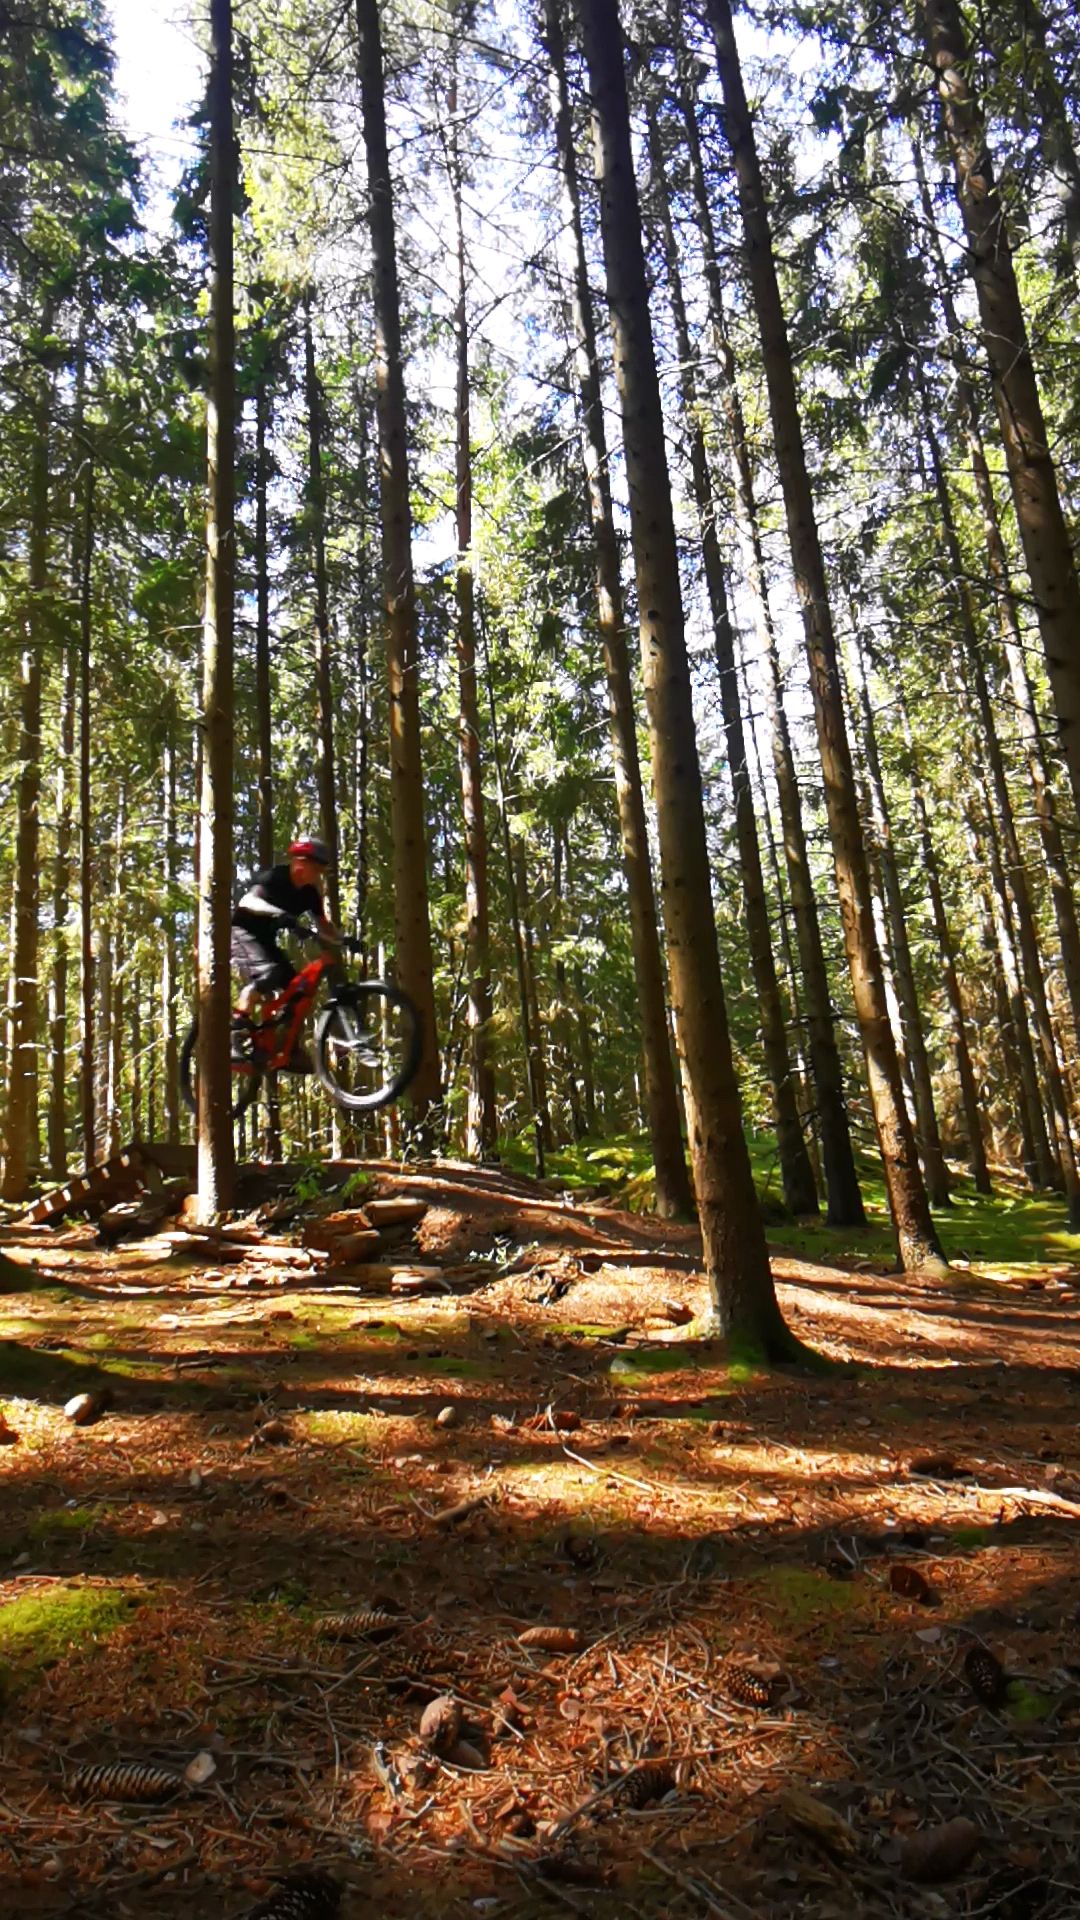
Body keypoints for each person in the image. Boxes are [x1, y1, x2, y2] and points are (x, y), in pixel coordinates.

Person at [230, 837, 344, 1066]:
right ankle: (233, 1037)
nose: (317, 873)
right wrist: (279, 914)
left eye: (320, 869)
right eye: (315, 867)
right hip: (241, 933)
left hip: (265, 940)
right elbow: (248, 902)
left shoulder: (310, 894)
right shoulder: (274, 877)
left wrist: (344, 940)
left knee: (296, 990)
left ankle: (286, 1047)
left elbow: (324, 926)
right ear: (299, 861)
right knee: (269, 974)